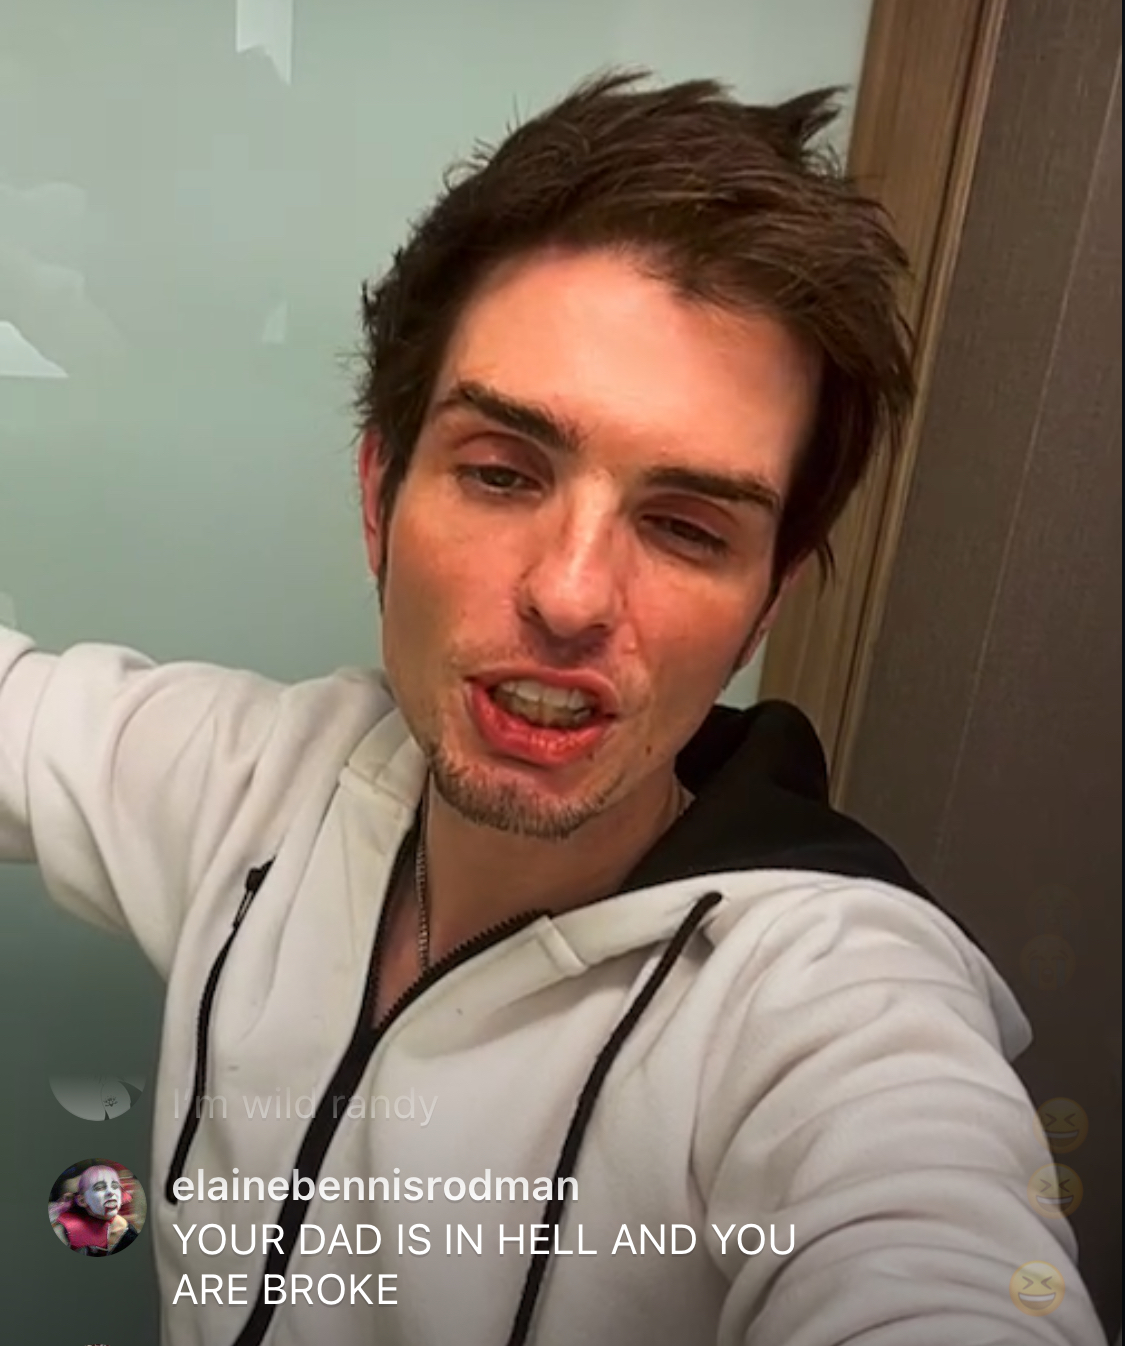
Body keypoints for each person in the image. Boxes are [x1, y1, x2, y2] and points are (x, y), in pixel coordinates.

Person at [1, 71, 1105, 1346]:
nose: (572, 595)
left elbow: (942, 1260)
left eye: (686, 528)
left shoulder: (825, 1004)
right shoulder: (259, 784)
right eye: (501, 473)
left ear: (765, 605)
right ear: (378, 496)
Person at [50, 1163, 140, 1256]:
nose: (111, 1192)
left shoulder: (128, 1234)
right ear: (82, 1200)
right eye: (100, 1188)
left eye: (115, 1186)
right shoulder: (63, 1230)